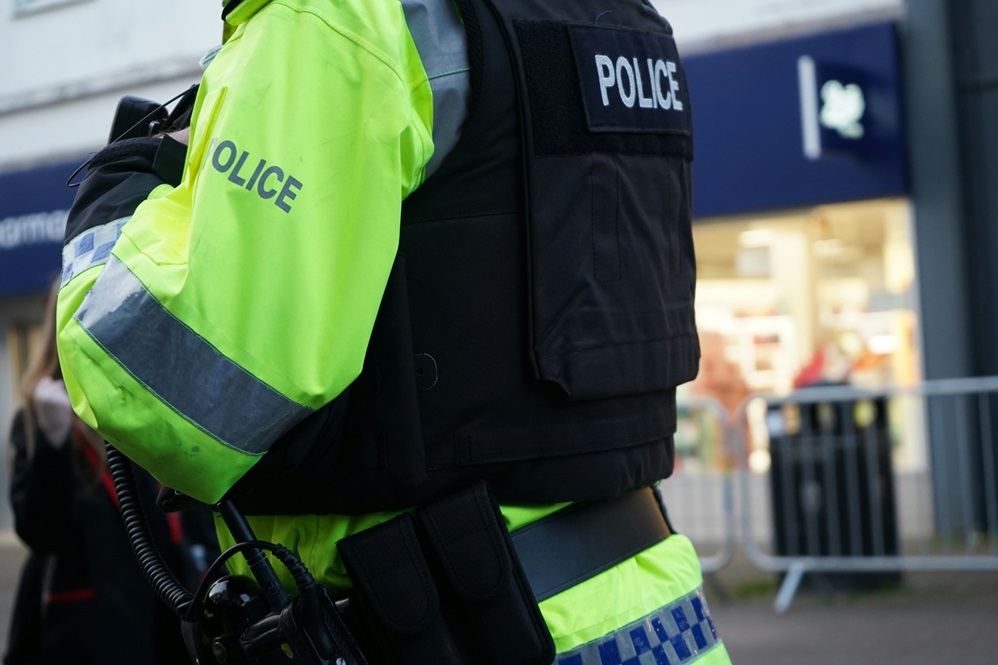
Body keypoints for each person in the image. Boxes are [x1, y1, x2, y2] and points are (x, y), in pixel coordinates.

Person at [56, 0, 732, 663]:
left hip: (452, 630)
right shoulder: (620, 17)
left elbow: (176, 390)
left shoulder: (334, 17)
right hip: (653, 616)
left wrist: (120, 188)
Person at [3, 281, 194, 664]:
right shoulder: (42, 418)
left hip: (164, 622)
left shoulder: (145, 405)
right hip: (87, 634)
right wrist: (53, 442)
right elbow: (39, 529)